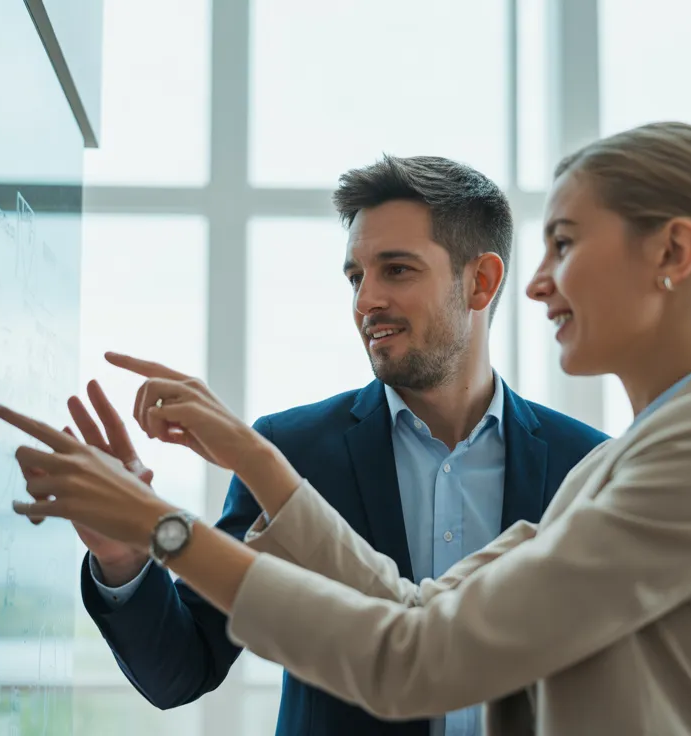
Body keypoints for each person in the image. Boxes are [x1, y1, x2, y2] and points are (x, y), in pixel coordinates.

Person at [0, 121, 691, 735]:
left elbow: (413, 651)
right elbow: (413, 605)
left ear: (673, 254)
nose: (542, 286)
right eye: (355, 274)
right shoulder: (634, 461)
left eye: (566, 244)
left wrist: (163, 526)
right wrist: (205, 495)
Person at [64, 155, 607, 736]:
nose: (365, 300)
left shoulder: (588, 467)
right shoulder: (291, 451)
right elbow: (182, 668)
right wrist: (123, 563)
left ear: (482, 281)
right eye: (356, 277)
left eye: (396, 270)